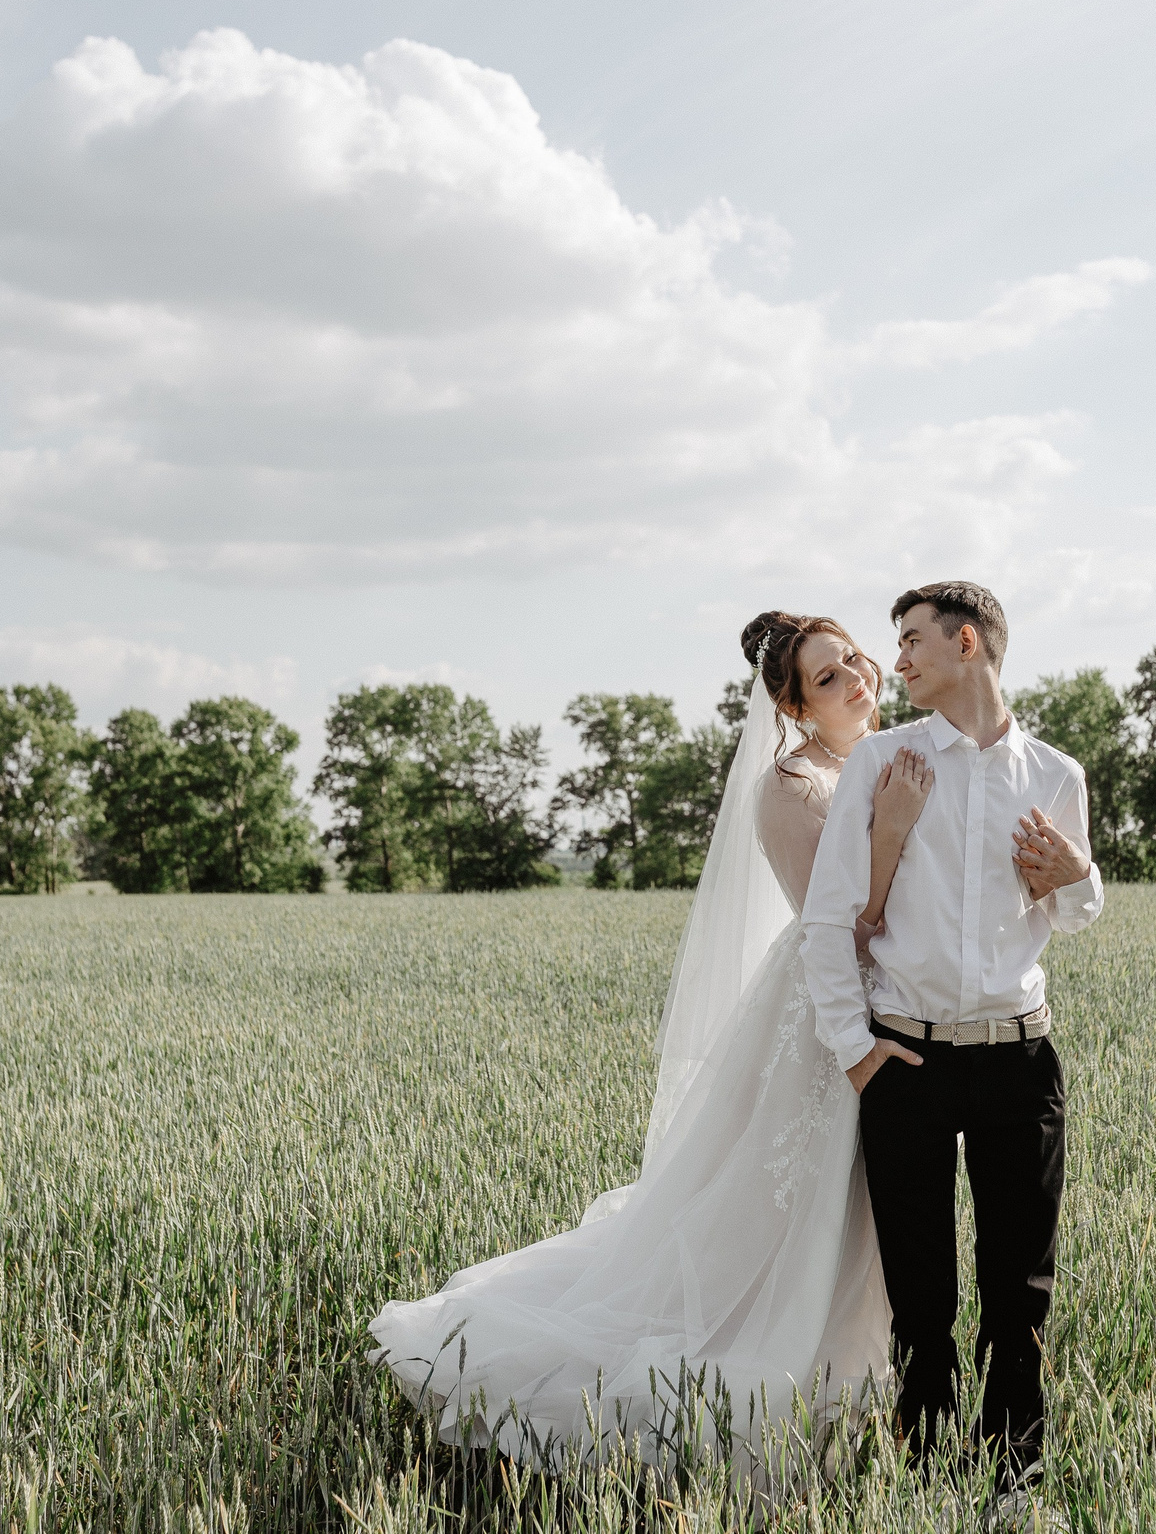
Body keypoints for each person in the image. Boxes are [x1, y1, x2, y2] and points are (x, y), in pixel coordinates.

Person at [367, 612, 931, 1474]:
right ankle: (794, 1392)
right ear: (793, 706)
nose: (856, 676)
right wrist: (891, 828)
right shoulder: (790, 787)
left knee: (881, 1213)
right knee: (811, 1213)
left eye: (855, 658)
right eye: (827, 676)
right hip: (825, 1018)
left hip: (906, 1008)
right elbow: (843, 924)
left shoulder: (897, 756)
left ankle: (875, 1390)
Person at [801, 580, 1102, 1494]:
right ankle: (927, 1481)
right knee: (921, 1302)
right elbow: (828, 917)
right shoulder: (881, 763)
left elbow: (1077, 909)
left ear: (967, 642)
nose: (895, 662)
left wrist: (1079, 874)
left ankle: (1014, 1482)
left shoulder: (1056, 773)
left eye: (911, 641)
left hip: (1021, 1059)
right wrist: (857, 1050)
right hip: (908, 1061)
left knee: (1021, 1297)